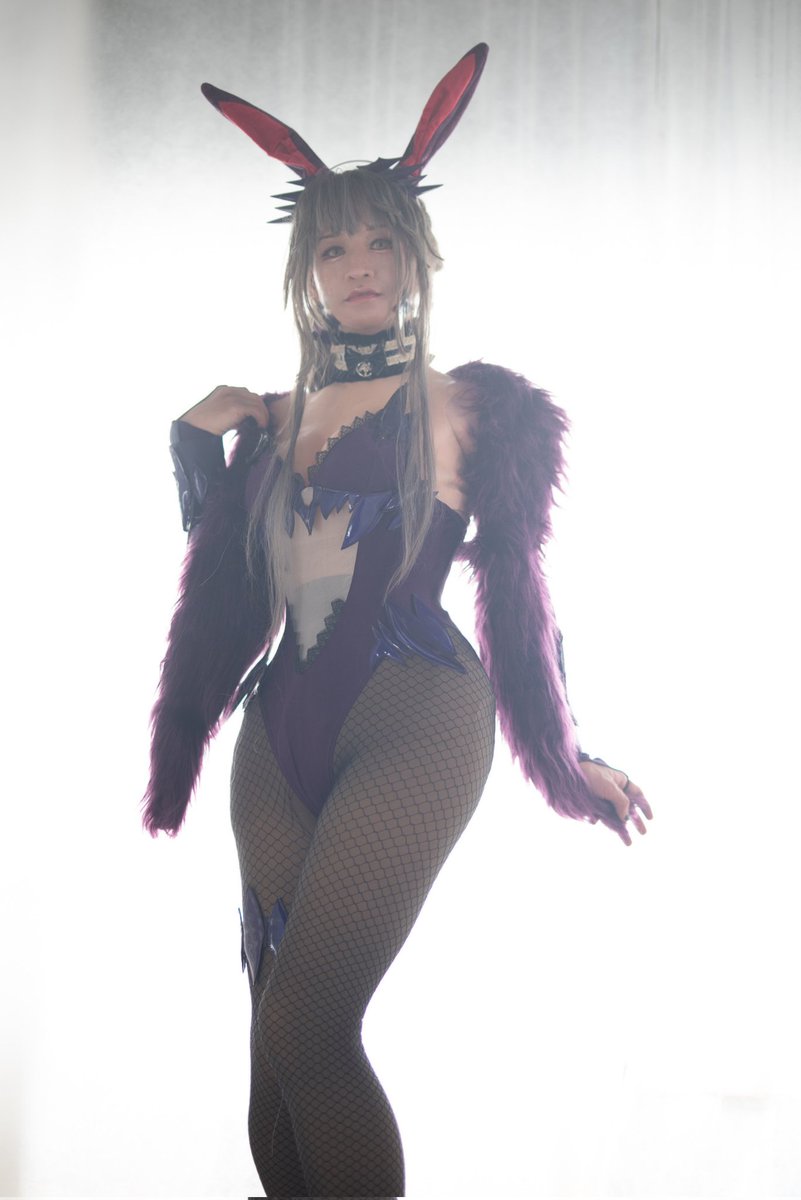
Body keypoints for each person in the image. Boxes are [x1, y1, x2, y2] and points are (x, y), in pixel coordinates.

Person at [143, 45, 651, 1199]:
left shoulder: (470, 409)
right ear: (308, 270)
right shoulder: (274, 416)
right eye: (334, 247)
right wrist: (193, 441)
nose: (359, 264)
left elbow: (520, 593)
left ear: (416, 254)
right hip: (278, 726)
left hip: (417, 715)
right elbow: (225, 578)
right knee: (271, 1041)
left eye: (379, 241)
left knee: (313, 1028)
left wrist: (565, 753)